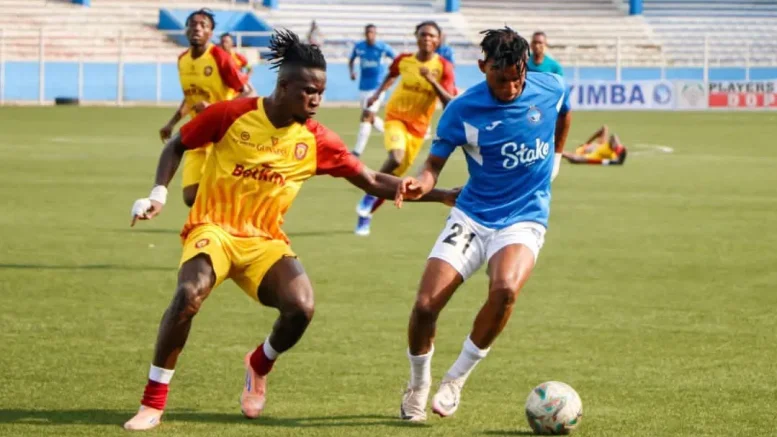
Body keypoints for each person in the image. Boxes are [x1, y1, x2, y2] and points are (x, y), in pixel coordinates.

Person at [123, 30, 458, 432]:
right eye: (308, 91)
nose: (316, 100)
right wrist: (158, 194)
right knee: (189, 293)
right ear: (283, 87)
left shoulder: (317, 140)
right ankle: (152, 403)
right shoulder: (233, 114)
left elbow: (371, 179)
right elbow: (176, 145)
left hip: (264, 240)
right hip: (213, 227)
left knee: (301, 307)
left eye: (321, 92)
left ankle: (259, 363)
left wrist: (440, 195)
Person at [392, 27, 572, 422]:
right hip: (472, 216)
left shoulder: (552, 86)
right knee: (425, 306)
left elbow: (565, 112)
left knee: (506, 289)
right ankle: (418, 385)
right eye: (500, 78)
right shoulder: (462, 109)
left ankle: (455, 380)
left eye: (516, 77)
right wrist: (419, 183)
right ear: (482, 67)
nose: (510, 87)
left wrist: (556, 157)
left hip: (524, 216)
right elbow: (432, 167)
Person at [354, 21, 457, 236]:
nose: (427, 39)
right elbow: (391, 74)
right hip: (396, 118)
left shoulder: (443, 67)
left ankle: (367, 215)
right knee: (396, 158)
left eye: (431, 36)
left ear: (438, 40)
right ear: (416, 37)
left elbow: (449, 102)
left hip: (418, 130)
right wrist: (377, 94)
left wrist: (432, 81)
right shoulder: (404, 60)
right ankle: (369, 191)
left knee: (395, 182)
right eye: (423, 35)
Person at [159, 9, 254, 208]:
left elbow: (247, 92)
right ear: (186, 30)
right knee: (190, 197)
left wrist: (213, 108)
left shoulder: (220, 57)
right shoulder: (182, 60)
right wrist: (172, 123)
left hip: (223, 135)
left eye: (204, 25)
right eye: (193, 24)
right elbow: (190, 96)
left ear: (211, 33)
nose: (197, 28)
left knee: (216, 189)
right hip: (198, 133)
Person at [348, 24, 396, 157]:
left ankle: (357, 152)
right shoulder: (359, 47)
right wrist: (352, 72)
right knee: (371, 117)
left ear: (375, 34)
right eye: (368, 32)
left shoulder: (382, 48)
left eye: (372, 32)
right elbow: (351, 60)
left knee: (366, 116)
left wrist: (391, 75)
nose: (370, 35)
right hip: (363, 86)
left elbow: (396, 59)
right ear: (365, 34)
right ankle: (393, 135)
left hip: (377, 87)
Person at [562, 125, 627, 165]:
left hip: (590, 152)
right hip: (596, 148)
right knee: (605, 128)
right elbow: (613, 136)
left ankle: (556, 151)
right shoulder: (610, 149)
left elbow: (575, 158)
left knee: (575, 158)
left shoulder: (596, 156)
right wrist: (586, 143)